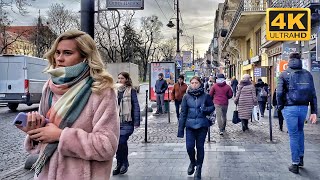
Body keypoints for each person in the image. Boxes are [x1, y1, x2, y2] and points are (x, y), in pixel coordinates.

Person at [16, 30, 120, 179]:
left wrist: (60, 135)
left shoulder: (101, 91)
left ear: (85, 57)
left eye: (67, 53)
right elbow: (45, 137)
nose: (59, 58)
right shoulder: (49, 87)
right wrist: (35, 131)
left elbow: (106, 146)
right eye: (57, 52)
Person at [276, 52, 317, 174]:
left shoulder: (284, 74)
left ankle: (295, 164)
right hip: (304, 107)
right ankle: (301, 158)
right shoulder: (307, 74)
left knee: (293, 135)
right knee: (300, 132)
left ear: (289, 60)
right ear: (300, 60)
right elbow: (313, 94)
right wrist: (314, 111)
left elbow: (279, 93)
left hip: (290, 107)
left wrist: (280, 107)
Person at [177, 76, 214, 180]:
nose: (194, 85)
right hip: (190, 126)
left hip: (202, 125)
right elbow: (183, 113)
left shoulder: (206, 96)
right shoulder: (186, 97)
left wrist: (205, 109)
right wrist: (180, 130)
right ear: (190, 84)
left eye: (196, 83)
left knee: (200, 147)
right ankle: (192, 162)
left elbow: (212, 107)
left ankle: (199, 168)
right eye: (192, 83)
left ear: (200, 83)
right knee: (189, 147)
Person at [113, 72, 140, 175]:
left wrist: (136, 121)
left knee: (121, 141)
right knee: (117, 144)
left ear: (126, 80)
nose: (120, 80)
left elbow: (136, 106)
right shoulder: (114, 91)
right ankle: (119, 163)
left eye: (122, 78)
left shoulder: (131, 91)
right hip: (115, 121)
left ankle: (124, 162)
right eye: (118, 78)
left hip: (127, 121)